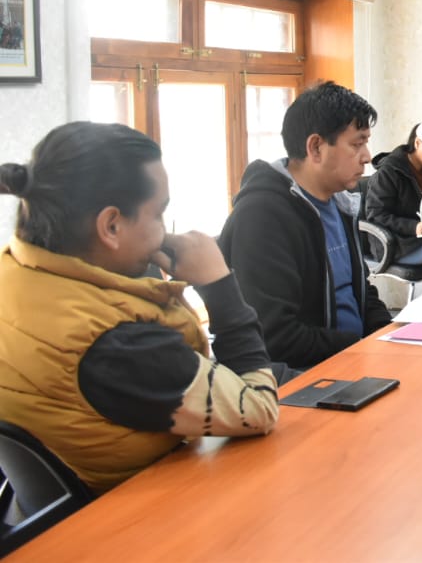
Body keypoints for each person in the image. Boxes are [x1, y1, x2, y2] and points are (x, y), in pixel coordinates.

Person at [0, 122, 278, 494]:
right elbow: (258, 409)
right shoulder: (117, 346)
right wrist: (219, 284)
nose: (163, 232)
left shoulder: (17, 271)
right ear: (111, 225)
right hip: (136, 526)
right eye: (159, 214)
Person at [220, 81, 391, 369]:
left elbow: (359, 290)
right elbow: (276, 337)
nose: (367, 156)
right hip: (300, 373)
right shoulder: (262, 217)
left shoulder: (339, 202)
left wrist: (388, 337)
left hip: (347, 358)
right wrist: (361, 350)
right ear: (316, 147)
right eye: (357, 144)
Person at [365, 119, 422, 267]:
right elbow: (377, 216)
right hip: (397, 246)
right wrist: (414, 227)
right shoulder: (388, 173)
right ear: (417, 143)